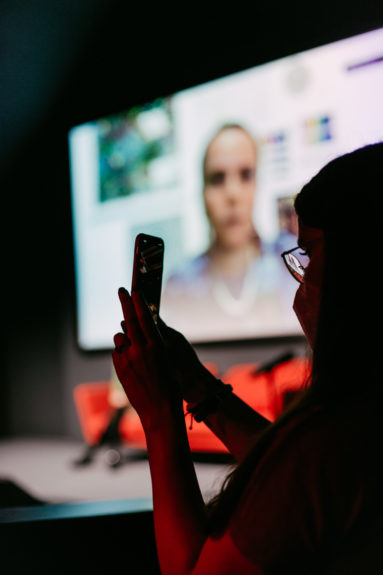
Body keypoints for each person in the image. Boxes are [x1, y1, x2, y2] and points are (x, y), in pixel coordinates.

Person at [112, 142, 383, 574]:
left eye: (309, 255)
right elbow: (282, 468)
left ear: (358, 264)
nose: (300, 290)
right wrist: (199, 387)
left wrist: (161, 416)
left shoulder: (324, 447)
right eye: (217, 178)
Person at [161, 123, 298, 342]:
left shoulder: (291, 264)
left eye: (245, 175)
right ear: (202, 193)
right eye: (217, 178)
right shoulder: (180, 284)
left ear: (257, 185)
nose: (232, 194)